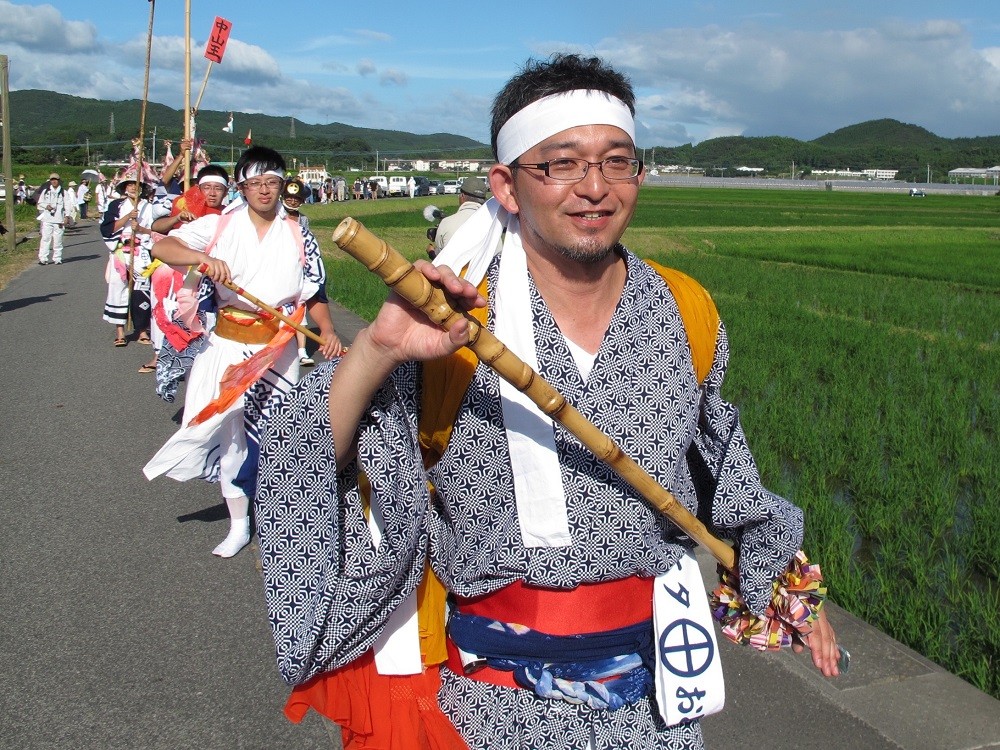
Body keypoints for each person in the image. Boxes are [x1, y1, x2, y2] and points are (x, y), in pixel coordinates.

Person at [255, 54, 843, 750]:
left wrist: (786, 583)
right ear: (506, 185)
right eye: (561, 164)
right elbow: (303, 459)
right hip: (493, 709)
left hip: (657, 708)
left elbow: (727, 470)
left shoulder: (685, 311)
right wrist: (380, 349)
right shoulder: (453, 324)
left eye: (616, 162)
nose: (594, 188)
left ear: (639, 174)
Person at [144, 146, 343, 559]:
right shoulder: (219, 225)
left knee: (281, 437)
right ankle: (239, 523)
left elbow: (314, 291)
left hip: (278, 350)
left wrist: (326, 330)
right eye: (255, 183)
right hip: (228, 347)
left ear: (283, 184)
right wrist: (201, 259)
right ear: (242, 187)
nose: (265, 191)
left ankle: (282, 520)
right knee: (232, 436)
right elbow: (162, 248)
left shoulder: (298, 232)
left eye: (273, 182)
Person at [101, 173, 154, 346]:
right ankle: (120, 331)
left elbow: (155, 230)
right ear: (124, 188)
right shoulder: (116, 205)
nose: (133, 187)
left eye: (136, 184)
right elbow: (107, 230)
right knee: (118, 288)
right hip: (120, 252)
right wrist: (127, 217)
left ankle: (142, 330)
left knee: (143, 289)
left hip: (141, 251)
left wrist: (140, 228)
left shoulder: (149, 207)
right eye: (129, 184)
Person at [432, 176, 488, 257]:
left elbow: (440, 257)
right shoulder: (492, 224)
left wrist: (431, 252)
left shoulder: (446, 223)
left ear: (462, 196)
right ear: (484, 200)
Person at [36, 173, 71, 265]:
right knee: (45, 239)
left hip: (59, 220)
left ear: (59, 181)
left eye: (55, 179)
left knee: (58, 240)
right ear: (50, 181)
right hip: (47, 219)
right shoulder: (46, 191)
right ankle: (43, 258)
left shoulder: (64, 192)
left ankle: (57, 258)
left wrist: (67, 216)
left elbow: (67, 205)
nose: (54, 181)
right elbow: (40, 203)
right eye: (52, 180)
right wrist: (46, 206)